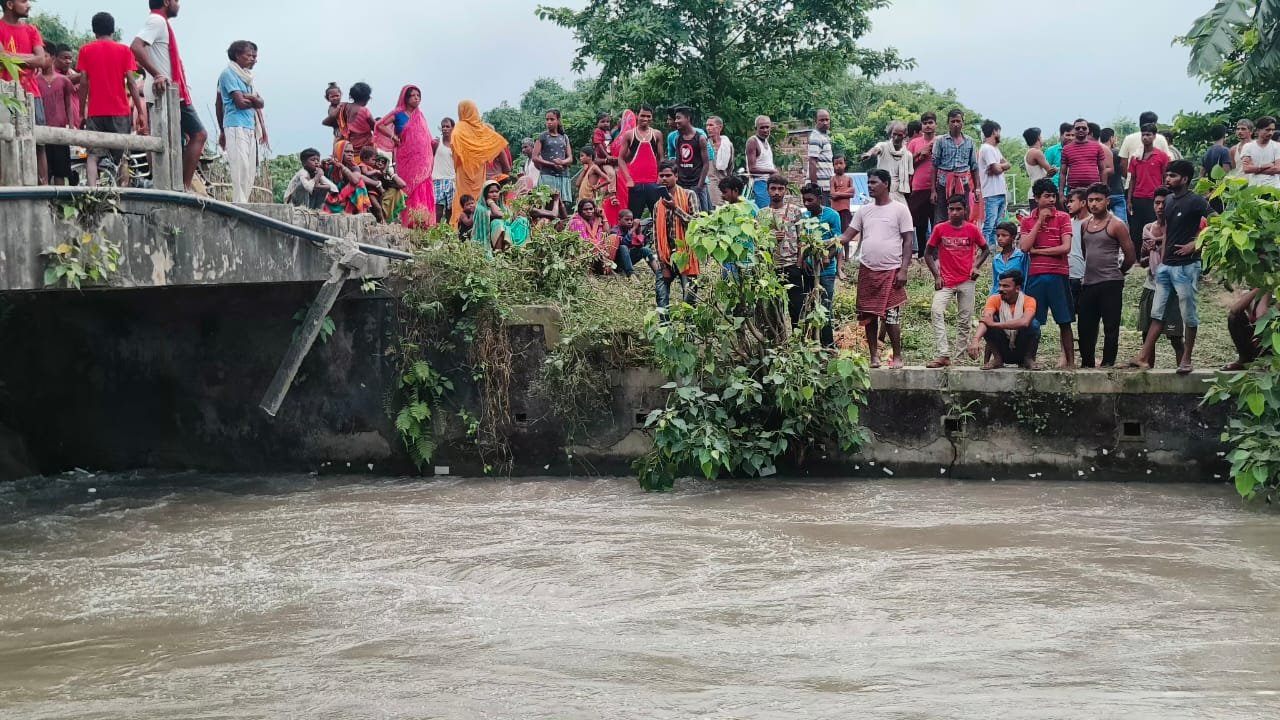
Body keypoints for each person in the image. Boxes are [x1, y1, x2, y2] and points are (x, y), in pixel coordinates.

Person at [1130, 160, 1212, 374]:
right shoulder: (1168, 201)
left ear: (1185, 179)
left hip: (1187, 266)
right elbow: (1168, 232)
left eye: (1173, 175)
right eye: (1167, 175)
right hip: (1167, 266)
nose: (1168, 179)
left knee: (1188, 314)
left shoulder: (1196, 201)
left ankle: (1186, 359)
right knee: (1157, 314)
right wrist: (1164, 257)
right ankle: (1142, 357)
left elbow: (1217, 223)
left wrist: (1196, 244)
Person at [842, 169, 915, 369]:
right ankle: (874, 356)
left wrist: (904, 269)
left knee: (892, 316)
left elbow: (908, 241)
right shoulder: (864, 210)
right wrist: (827, 243)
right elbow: (847, 236)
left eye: (874, 182)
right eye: (869, 183)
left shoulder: (900, 210)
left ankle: (897, 356)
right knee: (868, 316)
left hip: (892, 270)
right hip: (867, 269)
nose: (870, 186)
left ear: (886, 184)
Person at [132, 0, 206, 193]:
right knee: (199, 134)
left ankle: (170, 184)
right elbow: (136, 47)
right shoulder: (157, 21)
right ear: (166, 2)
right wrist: (157, 74)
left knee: (168, 140)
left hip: (168, 92)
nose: (178, 4)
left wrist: (155, 73)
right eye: (176, 1)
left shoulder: (159, 22)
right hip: (167, 93)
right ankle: (183, 186)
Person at [78, 13, 145, 188]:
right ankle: (122, 191)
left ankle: (92, 190)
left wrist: (81, 111)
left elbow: (83, 82)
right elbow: (131, 82)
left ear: (94, 30)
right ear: (113, 29)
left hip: (95, 111)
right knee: (122, 156)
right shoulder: (124, 51)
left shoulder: (85, 50)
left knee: (93, 155)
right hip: (119, 111)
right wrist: (140, 111)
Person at [925, 195, 990, 368]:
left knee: (964, 320)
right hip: (946, 281)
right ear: (947, 210)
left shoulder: (972, 229)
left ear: (965, 210)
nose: (954, 212)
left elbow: (985, 250)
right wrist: (936, 275)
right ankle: (943, 354)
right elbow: (927, 253)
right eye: (951, 209)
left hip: (967, 280)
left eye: (958, 209)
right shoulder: (940, 229)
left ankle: (959, 358)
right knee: (936, 310)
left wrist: (975, 266)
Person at [1076, 183, 1136, 368]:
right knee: (1085, 326)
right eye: (1091, 200)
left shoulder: (1116, 224)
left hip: (1110, 282)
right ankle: (1087, 363)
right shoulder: (1085, 224)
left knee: (1111, 326)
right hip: (1089, 282)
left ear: (1107, 201)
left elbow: (1130, 256)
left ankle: (1108, 363)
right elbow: (1086, 251)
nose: (1094, 204)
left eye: (1098, 200)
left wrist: (1120, 271)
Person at [1020, 178, 1076, 369]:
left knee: (1064, 320)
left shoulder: (1063, 217)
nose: (1051, 200)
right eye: (1047, 196)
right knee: (1032, 319)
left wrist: (1039, 251)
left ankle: (1070, 362)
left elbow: (1065, 248)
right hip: (1036, 276)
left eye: (1053, 196)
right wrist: (1039, 222)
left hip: (1058, 274)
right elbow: (1025, 247)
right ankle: (1029, 358)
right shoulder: (1027, 221)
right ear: (1036, 198)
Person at [1134, 188, 1185, 367]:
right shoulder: (1148, 228)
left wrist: (1160, 243)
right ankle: (1147, 371)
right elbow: (1144, 262)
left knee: (1175, 336)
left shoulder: (1178, 228)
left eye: (1164, 203)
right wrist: (1145, 252)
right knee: (1147, 334)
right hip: (1151, 285)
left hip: (1173, 287)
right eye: (1157, 203)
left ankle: (1183, 368)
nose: (1160, 207)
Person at [374, 85, 435, 227]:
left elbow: (426, 138)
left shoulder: (420, 116)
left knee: (422, 185)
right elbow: (380, 125)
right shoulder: (398, 114)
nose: (416, 98)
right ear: (405, 98)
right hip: (406, 158)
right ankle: (409, 222)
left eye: (418, 96)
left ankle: (424, 222)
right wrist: (392, 136)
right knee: (407, 187)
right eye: (413, 95)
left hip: (422, 159)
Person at [1, 0, 48, 181]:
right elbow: (1, 58)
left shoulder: (31, 30)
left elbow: (42, 61)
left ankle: (43, 187)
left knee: (39, 143)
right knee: (5, 141)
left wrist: (9, 56)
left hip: (32, 94)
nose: (28, 5)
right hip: (5, 95)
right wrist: (31, 59)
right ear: (10, 4)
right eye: (23, 1)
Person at [215, 41, 265, 204]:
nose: (253, 60)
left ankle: (245, 201)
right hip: (235, 124)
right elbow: (240, 103)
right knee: (240, 165)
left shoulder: (247, 78)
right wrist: (254, 100)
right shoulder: (228, 74)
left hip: (249, 125)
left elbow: (261, 103)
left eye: (255, 56)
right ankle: (239, 202)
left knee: (250, 168)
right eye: (249, 56)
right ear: (237, 55)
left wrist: (250, 98)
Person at [450, 100, 510, 224]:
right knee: (478, 197)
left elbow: (455, 147)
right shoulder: (481, 128)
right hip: (478, 170)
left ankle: (460, 224)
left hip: (464, 171)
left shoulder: (459, 128)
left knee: (463, 197)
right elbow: (498, 141)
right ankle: (479, 223)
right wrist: (481, 155)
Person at [968, 270, 1041, 369]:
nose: (1000, 289)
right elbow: (986, 319)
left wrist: (994, 324)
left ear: (1017, 288)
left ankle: (1028, 359)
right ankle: (997, 359)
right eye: (1000, 285)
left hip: (1021, 349)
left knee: (1034, 324)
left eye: (1006, 286)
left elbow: (1025, 322)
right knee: (990, 320)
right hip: (1003, 349)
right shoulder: (994, 299)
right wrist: (976, 339)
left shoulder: (1029, 300)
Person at [799, 183, 842, 348]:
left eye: (810, 200)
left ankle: (828, 345)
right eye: (804, 200)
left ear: (819, 198)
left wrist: (827, 258)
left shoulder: (832, 215)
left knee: (824, 307)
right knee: (809, 307)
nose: (806, 204)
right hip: (810, 270)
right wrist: (804, 261)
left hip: (826, 271)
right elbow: (803, 242)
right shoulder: (805, 217)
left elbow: (838, 241)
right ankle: (811, 344)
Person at [653, 160, 700, 309]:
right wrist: (662, 264)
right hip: (667, 257)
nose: (664, 179)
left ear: (676, 176)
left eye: (668, 175)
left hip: (687, 255)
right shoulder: (658, 204)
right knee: (661, 298)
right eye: (661, 175)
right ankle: (665, 323)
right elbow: (656, 237)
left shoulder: (689, 195)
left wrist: (676, 208)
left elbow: (696, 225)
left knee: (689, 298)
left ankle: (688, 324)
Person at [759, 173, 805, 310]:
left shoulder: (794, 211)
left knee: (796, 306)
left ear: (786, 190)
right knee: (773, 308)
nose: (777, 192)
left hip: (792, 265)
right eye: (773, 188)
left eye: (780, 189)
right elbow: (759, 242)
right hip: (771, 267)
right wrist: (772, 238)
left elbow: (802, 238)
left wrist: (799, 263)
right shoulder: (762, 214)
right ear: (767, 190)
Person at [930, 109, 981, 225]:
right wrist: (933, 190)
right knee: (941, 216)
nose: (955, 124)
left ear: (963, 122)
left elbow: (974, 166)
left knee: (964, 215)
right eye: (953, 121)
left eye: (958, 121)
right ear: (948, 123)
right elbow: (934, 166)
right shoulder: (941, 141)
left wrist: (977, 188)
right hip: (943, 183)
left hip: (963, 183)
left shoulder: (969, 141)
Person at [36, 43, 76, 186]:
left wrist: (71, 124)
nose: (41, 59)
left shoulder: (64, 81)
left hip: (59, 132)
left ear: (52, 58)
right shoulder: (35, 81)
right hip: (41, 131)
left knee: (61, 172)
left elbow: (68, 104)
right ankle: (44, 196)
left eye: (45, 56)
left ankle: (60, 198)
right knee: (43, 171)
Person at [1125, 124, 1170, 244]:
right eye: (1143, 135)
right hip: (1138, 198)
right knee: (1135, 231)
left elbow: (1166, 177)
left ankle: (1152, 252)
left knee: (1153, 228)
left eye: (1148, 135)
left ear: (1154, 136)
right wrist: (1129, 200)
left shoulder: (1162, 156)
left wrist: (1166, 198)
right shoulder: (1135, 157)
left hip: (1153, 199)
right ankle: (1137, 254)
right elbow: (1132, 179)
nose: (1145, 137)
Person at [618, 105, 664, 218]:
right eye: (643, 115)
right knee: (634, 219)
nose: (645, 119)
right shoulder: (629, 134)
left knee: (658, 217)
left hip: (653, 182)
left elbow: (661, 158)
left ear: (652, 117)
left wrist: (660, 176)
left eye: (648, 116)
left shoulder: (657, 134)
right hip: (635, 183)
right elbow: (621, 159)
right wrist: (628, 179)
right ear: (637, 115)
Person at [907, 112, 938, 258]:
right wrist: (921, 153)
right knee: (920, 224)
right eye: (925, 123)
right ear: (922, 126)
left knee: (936, 222)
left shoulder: (941, 141)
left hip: (937, 187)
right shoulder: (914, 143)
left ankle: (935, 255)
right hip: (918, 187)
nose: (928, 126)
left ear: (936, 124)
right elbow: (906, 164)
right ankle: (921, 255)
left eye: (930, 122)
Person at [861, 121, 913, 203]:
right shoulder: (883, 146)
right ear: (890, 134)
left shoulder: (908, 155)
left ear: (904, 135)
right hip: (881, 191)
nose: (896, 138)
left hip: (898, 194)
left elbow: (909, 177)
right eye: (894, 134)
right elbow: (876, 149)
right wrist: (869, 153)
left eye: (899, 135)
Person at [978, 120, 1010, 247]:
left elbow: (1007, 164)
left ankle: (993, 248)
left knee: (997, 225)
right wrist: (999, 167)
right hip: (991, 193)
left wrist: (999, 167)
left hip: (999, 192)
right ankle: (986, 249)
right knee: (989, 225)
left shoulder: (995, 149)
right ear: (994, 132)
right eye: (999, 132)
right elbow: (996, 169)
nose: (1000, 135)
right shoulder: (986, 148)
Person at [673, 106, 711, 211]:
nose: (676, 121)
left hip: (697, 184)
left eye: (678, 118)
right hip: (682, 185)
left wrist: (699, 186)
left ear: (688, 118)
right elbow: (678, 161)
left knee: (701, 214)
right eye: (675, 118)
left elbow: (706, 164)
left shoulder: (700, 138)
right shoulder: (678, 139)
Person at [1224, 290, 1273, 370]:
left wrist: (1267, 291)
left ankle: (1269, 361)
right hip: (1257, 342)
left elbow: (1261, 315)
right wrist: (1258, 289)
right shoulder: (1252, 295)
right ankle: (1244, 360)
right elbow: (1234, 311)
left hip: (1271, 345)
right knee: (1234, 318)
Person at [320, 82, 376, 151]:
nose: (335, 98)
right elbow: (375, 127)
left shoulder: (343, 106)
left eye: (337, 96)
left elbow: (326, 122)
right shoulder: (335, 107)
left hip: (347, 144)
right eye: (332, 97)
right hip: (360, 148)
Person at [322, 140, 372, 216]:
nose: (350, 154)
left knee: (360, 183)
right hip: (332, 199)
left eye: (352, 152)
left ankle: (358, 212)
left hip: (345, 199)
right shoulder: (330, 166)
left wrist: (342, 166)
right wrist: (322, 166)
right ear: (339, 151)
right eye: (347, 152)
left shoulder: (354, 167)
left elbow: (355, 181)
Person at [533, 109, 574, 201]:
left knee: (563, 203)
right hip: (547, 175)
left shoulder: (564, 137)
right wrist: (552, 164)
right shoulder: (542, 136)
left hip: (563, 175)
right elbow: (535, 157)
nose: (549, 122)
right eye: (547, 119)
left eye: (552, 119)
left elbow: (570, 158)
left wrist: (562, 162)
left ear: (558, 120)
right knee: (548, 202)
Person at [1060, 118, 1110, 193]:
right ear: (1073, 130)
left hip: (1093, 190)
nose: (1081, 130)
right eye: (1077, 128)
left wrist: (1104, 190)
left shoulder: (1097, 147)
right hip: (1073, 190)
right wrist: (1061, 193)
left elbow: (1102, 170)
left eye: (1084, 128)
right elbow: (1063, 173)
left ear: (1088, 130)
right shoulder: (1066, 149)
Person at [571, 198, 619, 275]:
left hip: (600, 253)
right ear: (580, 211)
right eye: (585, 209)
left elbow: (607, 233)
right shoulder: (576, 221)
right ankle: (592, 270)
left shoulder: (596, 219)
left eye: (591, 209)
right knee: (593, 245)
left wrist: (604, 217)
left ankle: (605, 267)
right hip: (585, 254)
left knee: (613, 237)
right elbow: (583, 243)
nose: (589, 211)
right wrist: (599, 248)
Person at [612, 209, 657, 278]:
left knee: (645, 250)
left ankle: (658, 273)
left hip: (627, 260)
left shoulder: (630, 230)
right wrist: (633, 229)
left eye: (631, 220)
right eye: (627, 220)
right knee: (623, 247)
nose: (629, 222)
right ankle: (631, 275)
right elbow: (623, 242)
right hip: (617, 263)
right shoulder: (614, 231)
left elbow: (640, 245)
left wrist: (638, 231)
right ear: (619, 220)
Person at [1239, 116, 1280, 188]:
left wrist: (1255, 169)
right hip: (1254, 188)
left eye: (1272, 130)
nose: (1270, 133)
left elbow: (1277, 169)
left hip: (1273, 188)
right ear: (1258, 130)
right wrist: (1264, 166)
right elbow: (1246, 169)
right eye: (1267, 130)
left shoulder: (1277, 146)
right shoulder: (1248, 146)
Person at [746, 115, 777, 208]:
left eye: (767, 127)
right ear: (756, 128)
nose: (765, 130)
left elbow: (767, 163)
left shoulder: (766, 141)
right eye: (762, 127)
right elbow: (752, 169)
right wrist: (771, 171)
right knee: (764, 211)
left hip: (769, 183)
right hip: (759, 183)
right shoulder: (753, 141)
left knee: (772, 211)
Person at [1065, 187, 1089, 310]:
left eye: (1072, 201)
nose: (1068, 205)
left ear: (1083, 202)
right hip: (1068, 275)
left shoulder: (1092, 223)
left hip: (1085, 276)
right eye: (1068, 202)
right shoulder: (1067, 223)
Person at [472, 179, 511, 253]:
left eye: (497, 192)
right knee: (497, 222)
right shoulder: (480, 208)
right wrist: (491, 202)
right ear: (485, 194)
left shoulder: (502, 206)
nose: (494, 194)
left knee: (522, 220)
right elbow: (499, 214)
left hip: (504, 234)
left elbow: (507, 218)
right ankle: (498, 252)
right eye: (491, 192)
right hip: (487, 237)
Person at [990, 221, 1028, 296]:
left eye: (1004, 235)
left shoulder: (1021, 256)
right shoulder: (996, 259)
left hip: (1017, 296)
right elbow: (995, 283)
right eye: (998, 236)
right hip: (999, 296)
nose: (1000, 238)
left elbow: (1026, 278)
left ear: (1013, 237)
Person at [1022, 127, 1058, 202]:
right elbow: (1050, 171)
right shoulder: (1036, 152)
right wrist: (1056, 169)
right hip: (1040, 193)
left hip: (1035, 191)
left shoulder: (1029, 152)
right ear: (1038, 137)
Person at [1100, 128, 1127, 224]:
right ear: (1111, 138)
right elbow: (1124, 168)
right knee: (1121, 222)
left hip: (1101, 192)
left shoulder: (1098, 152)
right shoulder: (1117, 152)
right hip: (1117, 191)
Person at [808, 109, 835, 204]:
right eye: (821, 120)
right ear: (816, 121)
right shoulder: (816, 137)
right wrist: (815, 187)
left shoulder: (825, 136)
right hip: (821, 188)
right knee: (823, 212)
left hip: (827, 187)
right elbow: (812, 162)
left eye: (827, 120)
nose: (825, 123)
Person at [432, 117, 456, 223]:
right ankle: (435, 231)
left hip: (452, 181)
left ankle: (448, 232)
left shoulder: (456, 145)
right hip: (438, 180)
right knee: (437, 212)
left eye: (447, 126)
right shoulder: (436, 143)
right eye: (443, 127)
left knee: (450, 212)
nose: (445, 129)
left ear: (452, 128)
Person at [706, 115, 733, 207]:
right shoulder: (705, 144)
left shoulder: (727, 145)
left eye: (711, 125)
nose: (708, 128)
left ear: (720, 127)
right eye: (707, 125)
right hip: (710, 183)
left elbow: (730, 166)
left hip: (724, 183)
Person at [1043, 122, 1073, 189]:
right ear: (1061, 135)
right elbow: (1043, 172)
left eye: (1073, 135)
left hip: (1073, 190)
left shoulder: (1078, 151)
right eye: (1068, 135)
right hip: (1055, 190)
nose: (1071, 138)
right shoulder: (1051, 151)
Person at [831, 154, 854, 230]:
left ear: (845, 164)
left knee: (845, 229)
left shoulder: (849, 178)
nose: (838, 166)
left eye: (841, 163)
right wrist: (846, 193)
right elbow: (833, 195)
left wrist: (838, 193)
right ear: (833, 165)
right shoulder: (833, 179)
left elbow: (852, 194)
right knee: (836, 229)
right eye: (836, 164)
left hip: (845, 209)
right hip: (835, 210)